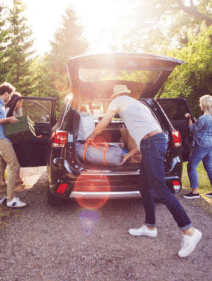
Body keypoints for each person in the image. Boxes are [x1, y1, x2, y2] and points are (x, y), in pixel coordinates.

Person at [85, 84, 202, 258]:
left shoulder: (118, 100)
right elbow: (145, 136)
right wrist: (128, 155)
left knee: (160, 188)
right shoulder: (137, 104)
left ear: (114, 96)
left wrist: (91, 135)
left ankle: (189, 231)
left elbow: (105, 121)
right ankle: (149, 227)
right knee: (144, 186)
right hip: (152, 143)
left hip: (153, 143)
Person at [0, 82, 27, 208]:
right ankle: (11, 199)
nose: (9, 99)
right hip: (1, 141)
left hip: (0, 140)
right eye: (9, 96)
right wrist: (7, 120)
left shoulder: (0, 105)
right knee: (14, 165)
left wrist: (9, 123)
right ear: (5, 94)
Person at [183, 95, 212, 200]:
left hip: (203, 144)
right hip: (211, 143)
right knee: (208, 166)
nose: (199, 105)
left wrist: (189, 119)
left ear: (204, 105)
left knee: (191, 165)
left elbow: (192, 129)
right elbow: (200, 125)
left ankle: (195, 192)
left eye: (200, 103)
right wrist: (193, 118)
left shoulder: (204, 118)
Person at [5, 91, 24, 184]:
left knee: (18, 156)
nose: (20, 104)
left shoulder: (19, 110)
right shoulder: (8, 110)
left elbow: (20, 121)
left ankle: (17, 175)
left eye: (21, 102)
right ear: (13, 101)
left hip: (17, 136)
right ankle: (2, 178)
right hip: (8, 136)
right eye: (19, 101)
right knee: (5, 159)